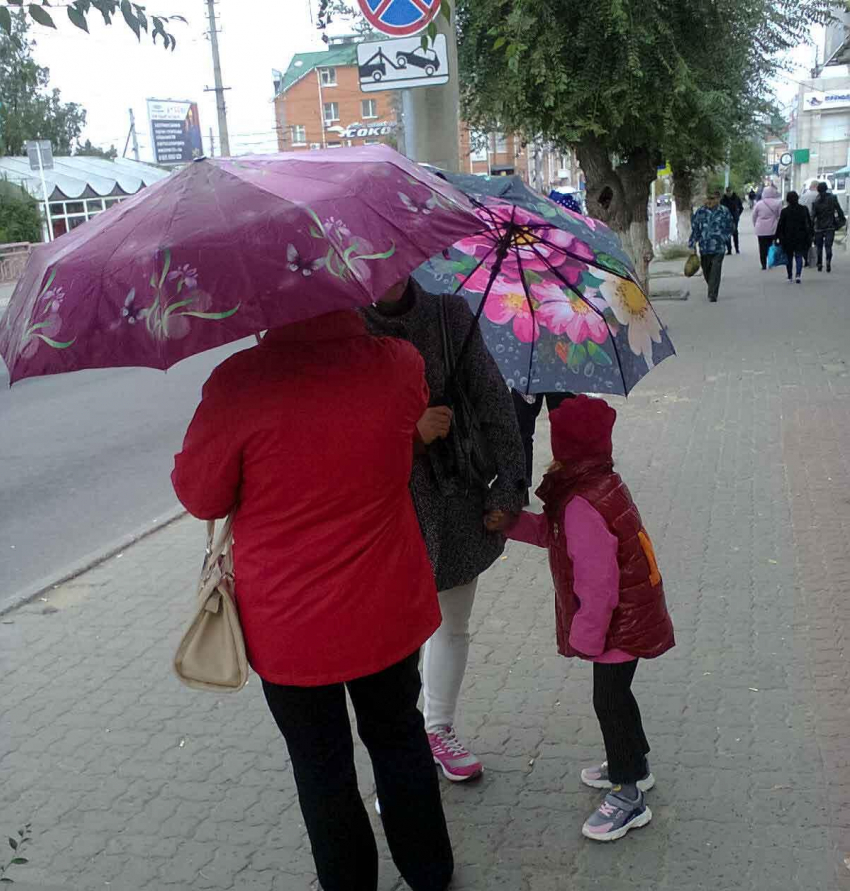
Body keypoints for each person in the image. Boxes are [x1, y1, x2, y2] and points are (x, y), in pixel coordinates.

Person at [172, 308, 454, 891]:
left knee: (321, 765)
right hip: (386, 607)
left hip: (291, 626)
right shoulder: (397, 363)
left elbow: (202, 496)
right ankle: (430, 873)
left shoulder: (239, 384)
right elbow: (403, 431)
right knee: (399, 734)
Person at [485, 395, 675, 842]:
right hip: (631, 614)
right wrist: (512, 524)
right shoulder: (598, 485)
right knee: (618, 697)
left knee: (608, 703)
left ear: (567, 451)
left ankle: (628, 796)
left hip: (617, 625)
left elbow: (599, 584)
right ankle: (636, 763)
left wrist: (585, 637)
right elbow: (555, 535)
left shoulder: (582, 504)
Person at [363, 278, 526, 784]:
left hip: (456, 499)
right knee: (392, 643)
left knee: (452, 623)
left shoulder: (451, 316)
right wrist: (407, 433)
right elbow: (335, 437)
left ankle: (438, 728)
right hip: (384, 507)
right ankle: (400, 755)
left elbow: (495, 405)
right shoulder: (345, 327)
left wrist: (508, 490)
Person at [511, 389, 573, 502]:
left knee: (565, 432)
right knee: (520, 432)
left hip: (561, 375)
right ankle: (519, 489)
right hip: (528, 376)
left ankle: (567, 488)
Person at [688, 189, 733, 302]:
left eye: (712, 199)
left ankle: (713, 294)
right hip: (704, 247)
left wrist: (724, 238)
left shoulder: (724, 211)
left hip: (719, 247)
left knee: (716, 269)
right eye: (707, 198)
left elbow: (731, 227)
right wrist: (692, 244)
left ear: (718, 199)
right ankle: (711, 286)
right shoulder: (700, 212)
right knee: (707, 270)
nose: (709, 201)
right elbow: (695, 229)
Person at [775, 191, 814, 284]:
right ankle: (798, 275)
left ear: (787, 200)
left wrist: (777, 237)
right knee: (799, 256)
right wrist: (811, 235)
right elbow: (809, 223)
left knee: (789, 257)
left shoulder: (785, 211)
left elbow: (780, 225)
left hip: (787, 238)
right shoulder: (804, 209)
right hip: (801, 237)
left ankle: (789, 276)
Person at [811, 181, 846, 273]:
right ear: (826, 188)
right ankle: (828, 261)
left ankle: (819, 263)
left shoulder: (815, 201)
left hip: (818, 227)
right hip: (830, 225)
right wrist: (841, 219)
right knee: (828, 246)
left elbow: (812, 216)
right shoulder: (833, 198)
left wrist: (810, 227)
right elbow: (839, 210)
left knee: (819, 246)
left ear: (818, 190)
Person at [752, 184, 782, 270]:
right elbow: (780, 215)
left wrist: (755, 225)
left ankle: (763, 264)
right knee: (771, 246)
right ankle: (771, 261)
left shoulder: (759, 204)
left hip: (760, 228)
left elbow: (754, 216)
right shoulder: (778, 203)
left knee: (762, 247)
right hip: (773, 228)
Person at [720, 187, 744, 254]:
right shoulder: (723, 200)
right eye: (727, 192)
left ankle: (737, 248)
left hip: (734, 218)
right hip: (726, 219)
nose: (729, 193)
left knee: (735, 233)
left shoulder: (736, 198)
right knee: (727, 234)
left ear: (732, 191)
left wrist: (737, 215)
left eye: (729, 191)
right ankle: (729, 249)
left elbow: (741, 207)